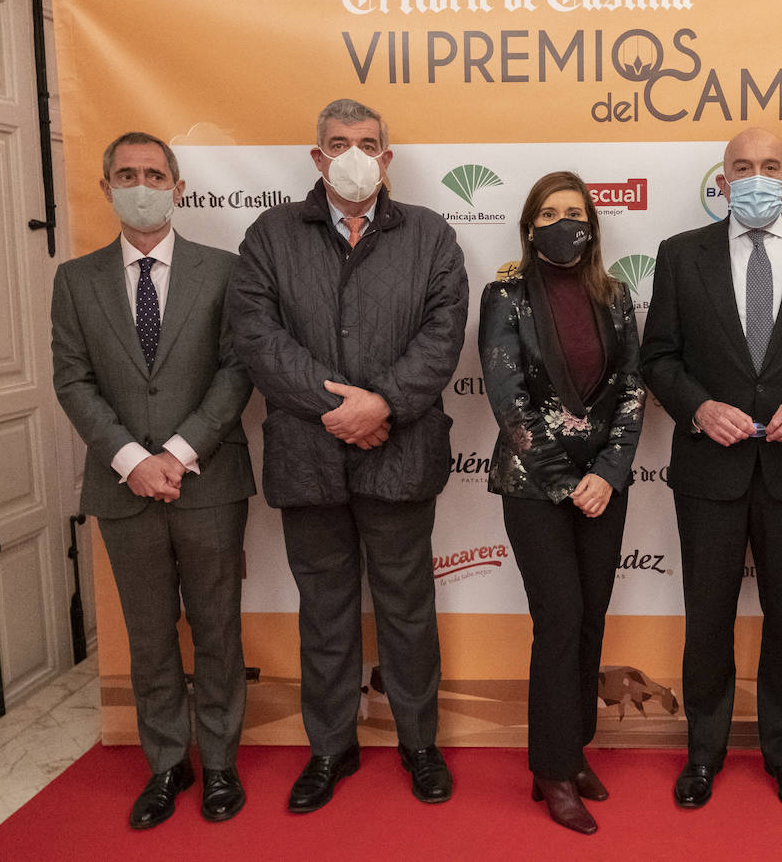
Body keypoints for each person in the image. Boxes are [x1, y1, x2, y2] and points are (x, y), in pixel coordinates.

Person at [228, 99, 469, 812]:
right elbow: (258, 336)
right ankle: (331, 748)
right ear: (317, 157)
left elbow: (442, 334)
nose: (355, 154)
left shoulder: (430, 233)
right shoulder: (271, 235)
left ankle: (419, 743)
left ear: (388, 158)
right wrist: (342, 410)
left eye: (368, 142)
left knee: (407, 610)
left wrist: (382, 405)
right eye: (340, 143)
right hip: (309, 461)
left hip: (401, 457)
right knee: (325, 613)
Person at [640, 127, 782, 814]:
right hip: (711, 471)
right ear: (723, 180)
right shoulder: (680, 256)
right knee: (707, 619)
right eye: (743, 167)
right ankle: (702, 754)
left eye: (771, 167)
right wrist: (699, 408)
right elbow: (658, 359)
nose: (757, 177)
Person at [51, 132, 255, 828]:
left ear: (179, 187)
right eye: (128, 174)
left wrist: (177, 449)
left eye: (156, 173)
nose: (143, 184)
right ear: (107, 187)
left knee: (218, 627)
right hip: (121, 488)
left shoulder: (224, 272)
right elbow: (73, 381)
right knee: (148, 635)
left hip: (210, 481)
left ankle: (222, 763)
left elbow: (236, 372)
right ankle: (168, 764)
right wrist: (132, 461)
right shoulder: (75, 281)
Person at [478, 171, 646, 835]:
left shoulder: (617, 294)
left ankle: (572, 750)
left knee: (590, 620)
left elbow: (632, 387)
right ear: (529, 224)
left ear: (592, 226)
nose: (563, 222)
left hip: (606, 487)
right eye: (550, 211)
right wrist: (561, 479)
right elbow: (505, 394)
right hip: (533, 485)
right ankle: (548, 768)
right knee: (560, 617)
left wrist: (608, 471)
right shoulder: (505, 295)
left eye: (574, 212)